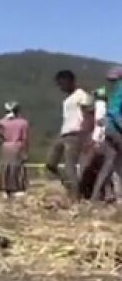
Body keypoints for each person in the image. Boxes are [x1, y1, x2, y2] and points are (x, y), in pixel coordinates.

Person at [45, 70, 94, 201]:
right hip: (64, 133)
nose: (61, 87)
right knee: (50, 163)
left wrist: (86, 133)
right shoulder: (67, 99)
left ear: (70, 81)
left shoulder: (81, 95)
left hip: (75, 134)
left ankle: (75, 196)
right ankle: (68, 185)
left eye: (62, 84)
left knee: (70, 167)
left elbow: (89, 114)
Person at [90, 67, 122, 202]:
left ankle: (95, 196)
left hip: (109, 130)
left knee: (108, 164)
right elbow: (114, 111)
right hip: (117, 131)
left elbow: (110, 111)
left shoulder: (112, 90)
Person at [0, 102, 30, 198]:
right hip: (17, 146)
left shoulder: (3, 121)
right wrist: (25, 151)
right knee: (17, 168)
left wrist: (3, 136)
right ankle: (17, 189)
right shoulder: (23, 122)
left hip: (6, 145)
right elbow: (25, 138)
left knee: (5, 167)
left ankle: (5, 189)